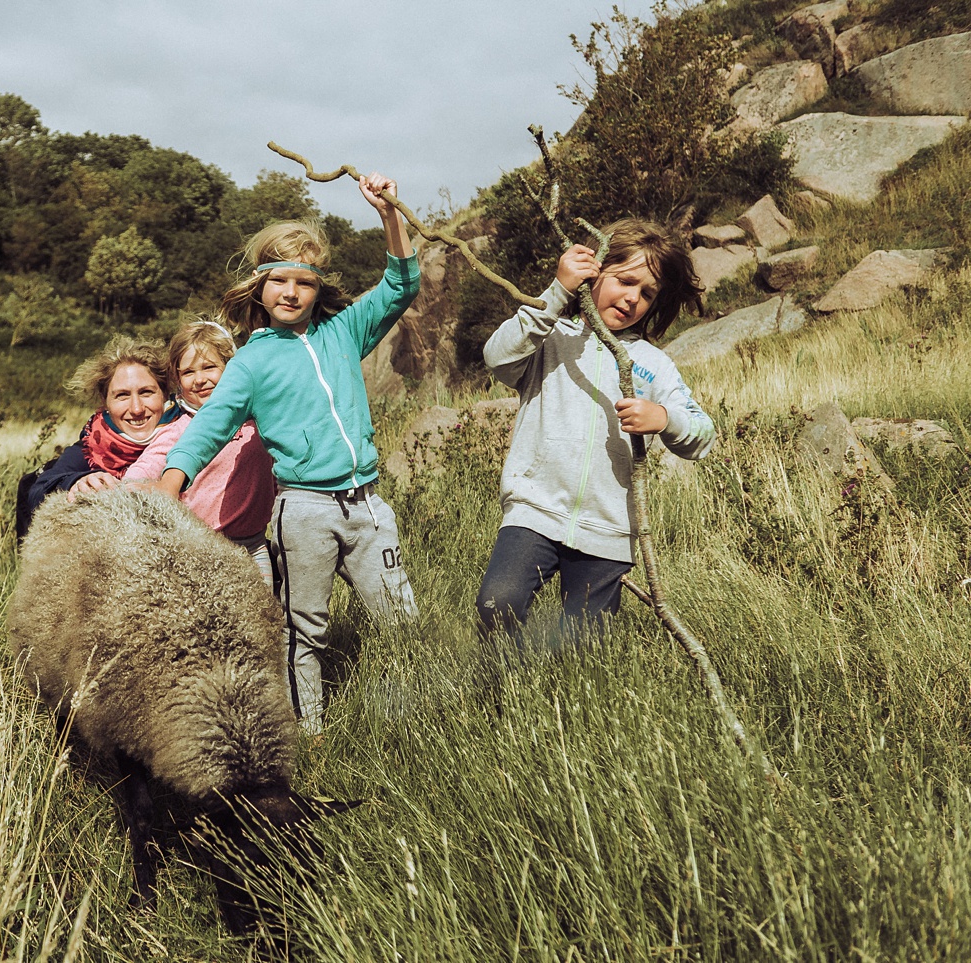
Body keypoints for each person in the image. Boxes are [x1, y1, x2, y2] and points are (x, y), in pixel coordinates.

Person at [152, 172, 420, 734]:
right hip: (303, 512)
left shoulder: (345, 330)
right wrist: (171, 480)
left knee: (400, 620)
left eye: (304, 280)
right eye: (279, 280)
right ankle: (310, 735)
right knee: (304, 629)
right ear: (259, 286)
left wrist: (388, 214)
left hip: (368, 507)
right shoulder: (250, 360)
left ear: (319, 287)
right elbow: (209, 428)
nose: (291, 292)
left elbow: (401, 284)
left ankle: (417, 719)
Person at [476, 217, 715, 651]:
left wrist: (664, 417)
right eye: (625, 281)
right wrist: (557, 292)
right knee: (498, 604)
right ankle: (500, 693)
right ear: (595, 270)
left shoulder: (653, 365)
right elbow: (496, 356)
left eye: (647, 294)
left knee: (582, 648)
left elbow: (702, 434)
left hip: (607, 529)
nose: (632, 299)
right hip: (535, 510)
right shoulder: (552, 337)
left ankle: (559, 708)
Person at [122, 318, 277, 583]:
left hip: (252, 546)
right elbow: (139, 474)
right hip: (197, 550)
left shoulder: (258, 423)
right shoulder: (179, 431)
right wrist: (131, 486)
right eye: (188, 372)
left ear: (231, 367)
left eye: (209, 367)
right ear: (177, 379)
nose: (200, 379)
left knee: (261, 617)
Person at [19, 335, 179, 531]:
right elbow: (37, 490)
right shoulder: (91, 447)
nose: (136, 408)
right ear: (105, 403)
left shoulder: (191, 433)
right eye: (122, 395)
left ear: (164, 394)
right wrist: (76, 481)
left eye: (146, 392)